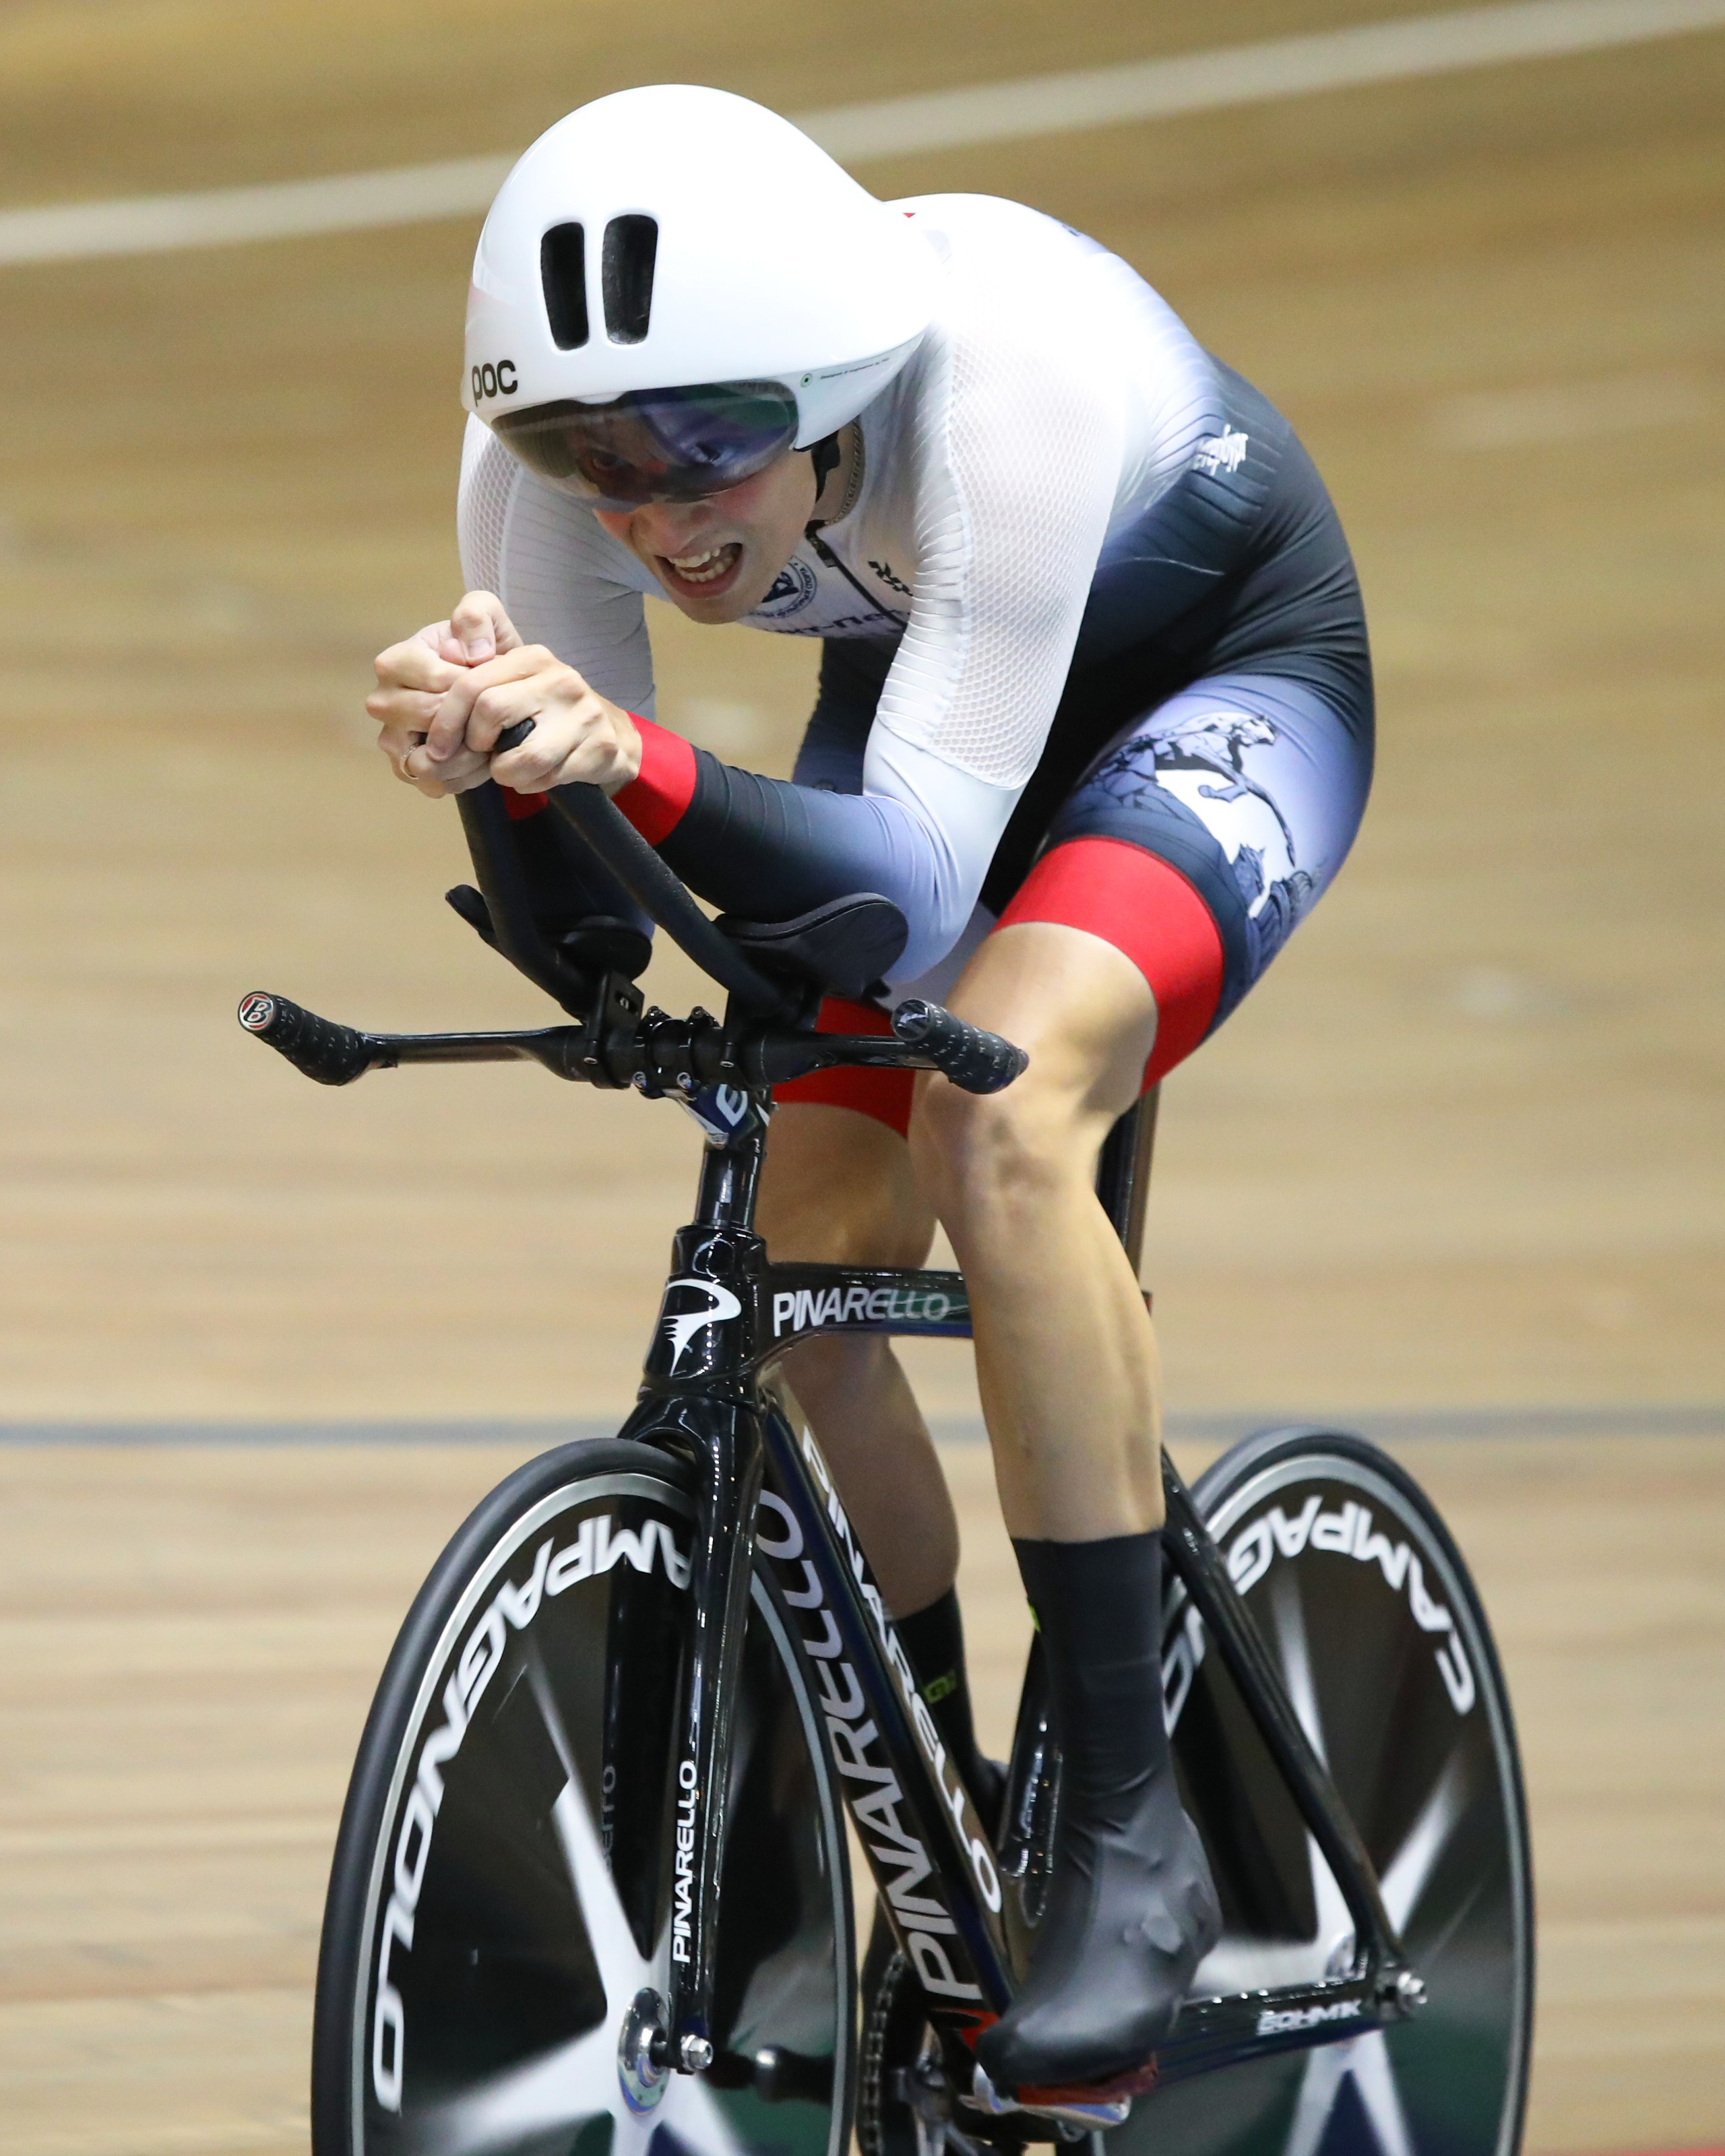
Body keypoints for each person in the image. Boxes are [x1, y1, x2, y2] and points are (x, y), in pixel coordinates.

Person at [366, 84, 1373, 2094]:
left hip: (1204, 689)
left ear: (839, 389)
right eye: (593, 461)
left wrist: (616, 760)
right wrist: (498, 765)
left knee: (1004, 1123)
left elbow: (912, 884)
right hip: (939, 710)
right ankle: (937, 1817)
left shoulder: (1002, 373)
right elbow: (605, 935)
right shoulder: (543, 470)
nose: (645, 511)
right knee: (806, 1261)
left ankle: (1132, 1842)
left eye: (700, 446)